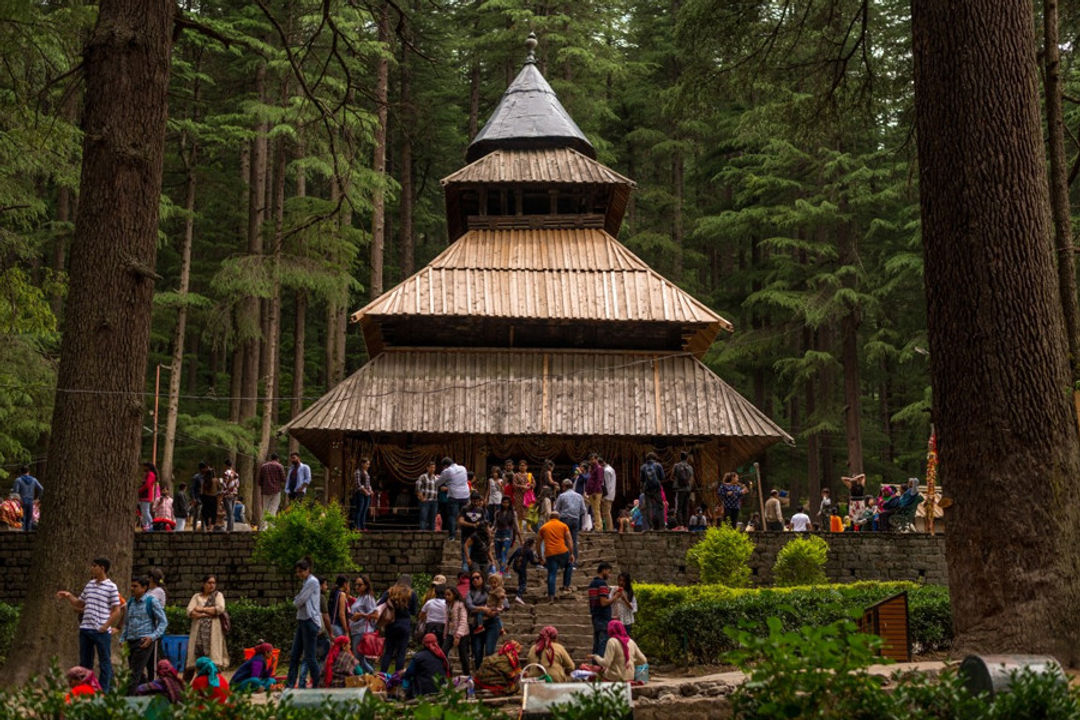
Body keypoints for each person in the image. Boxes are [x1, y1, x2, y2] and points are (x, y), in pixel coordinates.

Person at [56, 558, 122, 692]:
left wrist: (106, 626)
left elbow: (117, 610)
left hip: (101, 631)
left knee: (104, 662)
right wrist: (69, 596)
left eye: (94, 566)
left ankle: (105, 691)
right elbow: (80, 603)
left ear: (102, 568)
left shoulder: (111, 587)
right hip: (86, 628)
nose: (91, 568)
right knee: (85, 663)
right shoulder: (90, 584)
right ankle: (85, 690)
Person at [120, 575, 168, 694]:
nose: (132, 588)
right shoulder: (130, 602)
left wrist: (152, 637)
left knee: (134, 672)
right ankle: (143, 692)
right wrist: (122, 638)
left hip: (143, 641)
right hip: (131, 641)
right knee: (136, 671)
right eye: (132, 586)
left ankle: (128, 699)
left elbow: (163, 621)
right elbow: (127, 622)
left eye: (135, 586)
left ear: (144, 587)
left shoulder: (151, 601)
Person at [284, 558, 322, 688]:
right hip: (302, 620)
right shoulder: (306, 582)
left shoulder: (312, 582)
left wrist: (296, 600)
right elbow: (299, 600)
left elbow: (299, 601)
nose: (298, 574)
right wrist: (297, 600)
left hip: (310, 621)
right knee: (294, 655)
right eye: (297, 572)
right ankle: (289, 685)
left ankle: (317, 684)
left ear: (307, 570)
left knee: (310, 657)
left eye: (301, 571)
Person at [185, 575, 228, 676]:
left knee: (214, 658)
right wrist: (207, 613)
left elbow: (220, 608)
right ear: (203, 584)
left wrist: (202, 609)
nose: (211, 585)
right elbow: (190, 611)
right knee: (196, 658)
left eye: (213, 583)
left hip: (213, 632)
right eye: (209, 583)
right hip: (198, 633)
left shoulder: (218, 595)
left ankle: (215, 683)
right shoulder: (196, 597)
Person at [378, 576, 418, 672]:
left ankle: (382, 675)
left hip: (391, 624)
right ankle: (397, 677)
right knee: (401, 652)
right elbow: (414, 612)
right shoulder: (412, 594)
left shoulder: (390, 591)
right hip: (404, 624)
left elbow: (379, 604)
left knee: (388, 651)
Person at [537, 510, 575, 602]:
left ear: (550, 518)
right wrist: (571, 553)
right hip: (562, 551)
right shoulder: (563, 526)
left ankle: (551, 596)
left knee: (552, 573)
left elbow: (538, 543)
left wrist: (540, 557)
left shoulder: (544, 527)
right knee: (569, 564)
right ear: (558, 518)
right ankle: (566, 585)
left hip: (550, 553)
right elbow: (569, 540)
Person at [402, 633, 451, 697]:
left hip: (423, 691)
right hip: (441, 688)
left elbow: (409, 673)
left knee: (407, 677)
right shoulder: (442, 657)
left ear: (423, 643)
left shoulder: (418, 657)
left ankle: (405, 693)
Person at [588, 562, 619, 657]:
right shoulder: (602, 584)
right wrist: (615, 597)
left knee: (596, 643)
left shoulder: (592, 583)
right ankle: (600, 667)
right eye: (609, 572)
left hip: (596, 616)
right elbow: (603, 602)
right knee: (603, 643)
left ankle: (595, 665)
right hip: (603, 618)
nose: (609, 575)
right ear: (604, 570)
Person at [554, 479, 586, 563]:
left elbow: (556, 509)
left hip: (564, 519)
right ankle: (573, 561)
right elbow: (583, 510)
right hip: (576, 520)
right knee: (573, 540)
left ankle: (563, 560)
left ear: (564, 486)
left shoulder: (562, 496)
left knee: (563, 540)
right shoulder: (579, 496)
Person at [348, 574, 378, 663]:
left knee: (358, 658)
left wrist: (361, 615)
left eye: (360, 585)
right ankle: (366, 674)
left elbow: (376, 615)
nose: (357, 587)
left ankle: (369, 672)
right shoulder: (359, 598)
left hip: (362, 631)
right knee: (358, 658)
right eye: (356, 584)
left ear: (366, 586)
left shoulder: (368, 598)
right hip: (355, 630)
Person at [439, 457, 470, 540]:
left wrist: (438, 478)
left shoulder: (447, 471)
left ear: (445, 465)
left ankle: (452, 536)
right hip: (465, 495)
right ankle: (466, 535)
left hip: (454, 496)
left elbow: (438, 483)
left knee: (452, 516)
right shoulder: (463, 468)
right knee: (465, 515)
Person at [443, 585, 470, 676]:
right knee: (443, 652)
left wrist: (458, 635)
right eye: (445, 595)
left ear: (454, 594)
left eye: (449, 594)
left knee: (463, 656)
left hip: (462, 634)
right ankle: (448, 672)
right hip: (450, 633)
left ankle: (467, 675)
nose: (446, 597)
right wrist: (445, 634)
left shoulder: (460, 605)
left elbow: (463, 620)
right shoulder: (447, 605)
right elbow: (447, 620)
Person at [256, 453, 286, 528]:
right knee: (273, 508)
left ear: (271, 458)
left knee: (265, 509)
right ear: (277, 459)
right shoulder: (279, 466)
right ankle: (271, 527)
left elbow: (260, 480)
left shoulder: (263, 466)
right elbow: (283, 479)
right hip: (276, 490)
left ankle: (263, 527)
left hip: (265, 491)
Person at [492, 496, 521, 574]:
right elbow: (494, 525)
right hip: (497, 536)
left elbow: (516, 526)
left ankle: (502, 572)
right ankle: (503, 569)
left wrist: (521, 539)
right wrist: (490, 532)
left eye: (507, 502)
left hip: (507, 537)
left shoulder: (513, 513)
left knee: (503, 553)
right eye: (504, 502)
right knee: (498, 556)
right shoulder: (498, 513)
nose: (505, 504)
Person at [507, 537, 541, 604]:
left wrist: (507, 565)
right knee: (524, 583)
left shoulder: (519, 549)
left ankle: (520, 591)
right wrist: (540, 562)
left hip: (515, 567)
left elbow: (511, 557)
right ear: (532, 544)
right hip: (522, 568)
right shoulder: (529, 551)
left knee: (521, 579)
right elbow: (532, 562)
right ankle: (518, 596)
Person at [11, 466, 42, 532]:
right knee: (29, 519)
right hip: (31, 501)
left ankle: (23, 534)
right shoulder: (34, 480)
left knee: (22, 518)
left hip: (22, 501)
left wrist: (17, 500)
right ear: (29, 472)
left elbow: (15, 492)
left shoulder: (18, 480)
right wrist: (38, 499)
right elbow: (41, 489)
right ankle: (29, 533)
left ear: (21, 472)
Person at [639, 453, 665, 531]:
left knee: (648, 507)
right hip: (656, 489)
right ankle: (661, 526)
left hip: (647, 489)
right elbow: (662, 477)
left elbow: (642, 479)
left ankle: (650, 526)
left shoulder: (643, 467)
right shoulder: (658, 466)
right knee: (660, 506)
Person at [672, 452, 694, 528]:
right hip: (688, 489)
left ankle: (680, 525)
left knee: (679, 507)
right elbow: (691, 478)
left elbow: (673, 476)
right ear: (687, 458)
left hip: (679, 489)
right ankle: (686, 525)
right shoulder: (690, 467)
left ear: (680, 457)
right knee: (686, 507)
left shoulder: (676, 466)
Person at [416, 459, 439, 530]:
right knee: (423, 518)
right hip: (425, 501)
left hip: (434, 501)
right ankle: (423, 534)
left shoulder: (436, 478)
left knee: (432, 519)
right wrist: (422, 498)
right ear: (427, 468)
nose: (432, 469)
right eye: (431, 467)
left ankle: (432, 534)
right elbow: (418, 488)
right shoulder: (422, 477)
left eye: (434, 468)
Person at [584, 453, 605, 532]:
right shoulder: (592, 469)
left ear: (596, 459)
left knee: (596, 510)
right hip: (591, 491)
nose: (592, 461)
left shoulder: (599, 468)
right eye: (591, 459)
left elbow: (599, 481)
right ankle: (596, 525)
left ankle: (598, 527)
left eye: (593, 459)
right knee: (594, 510)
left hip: (596, 492)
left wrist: (594, 492)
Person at [352, 456, 373, 531]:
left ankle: (363, 526)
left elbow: (368, 484)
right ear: (362, 464)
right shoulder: (358, 472)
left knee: (365, 510)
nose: (368, 466)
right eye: (367, 464)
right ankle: (357, 526)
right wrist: (365, 491)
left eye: (368, 464)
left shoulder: (366, 473)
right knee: (359, 509)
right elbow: (358, 484)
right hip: (360, 493)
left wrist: (370, 490)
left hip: (367, 494)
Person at [198, 466, 220, 533]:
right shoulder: (216, 480)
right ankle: (211, 527)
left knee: (206, 513)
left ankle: (207, 526)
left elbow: (201, 491)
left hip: (205, 498)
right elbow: (219, 488)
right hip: (213, 498)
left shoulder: (204, 481)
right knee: (213, 513)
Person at [221, 460, 239, 532]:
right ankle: (231, 528)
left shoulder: (225, 473)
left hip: (227, 494)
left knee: (229, 513)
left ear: (226, 465)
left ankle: (229, 529)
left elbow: (224, 485)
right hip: (234, 494)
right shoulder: (236, 474)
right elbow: (237, 485)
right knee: (232, 512)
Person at [601, 458, 616, 533]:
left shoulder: (606, 471)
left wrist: (603, 496)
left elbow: (606, 484)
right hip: (611, 494)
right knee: (607, 512)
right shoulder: (611, 469)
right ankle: (609, 528)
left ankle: (609, 529)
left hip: (607, 494)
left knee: (606, 513)